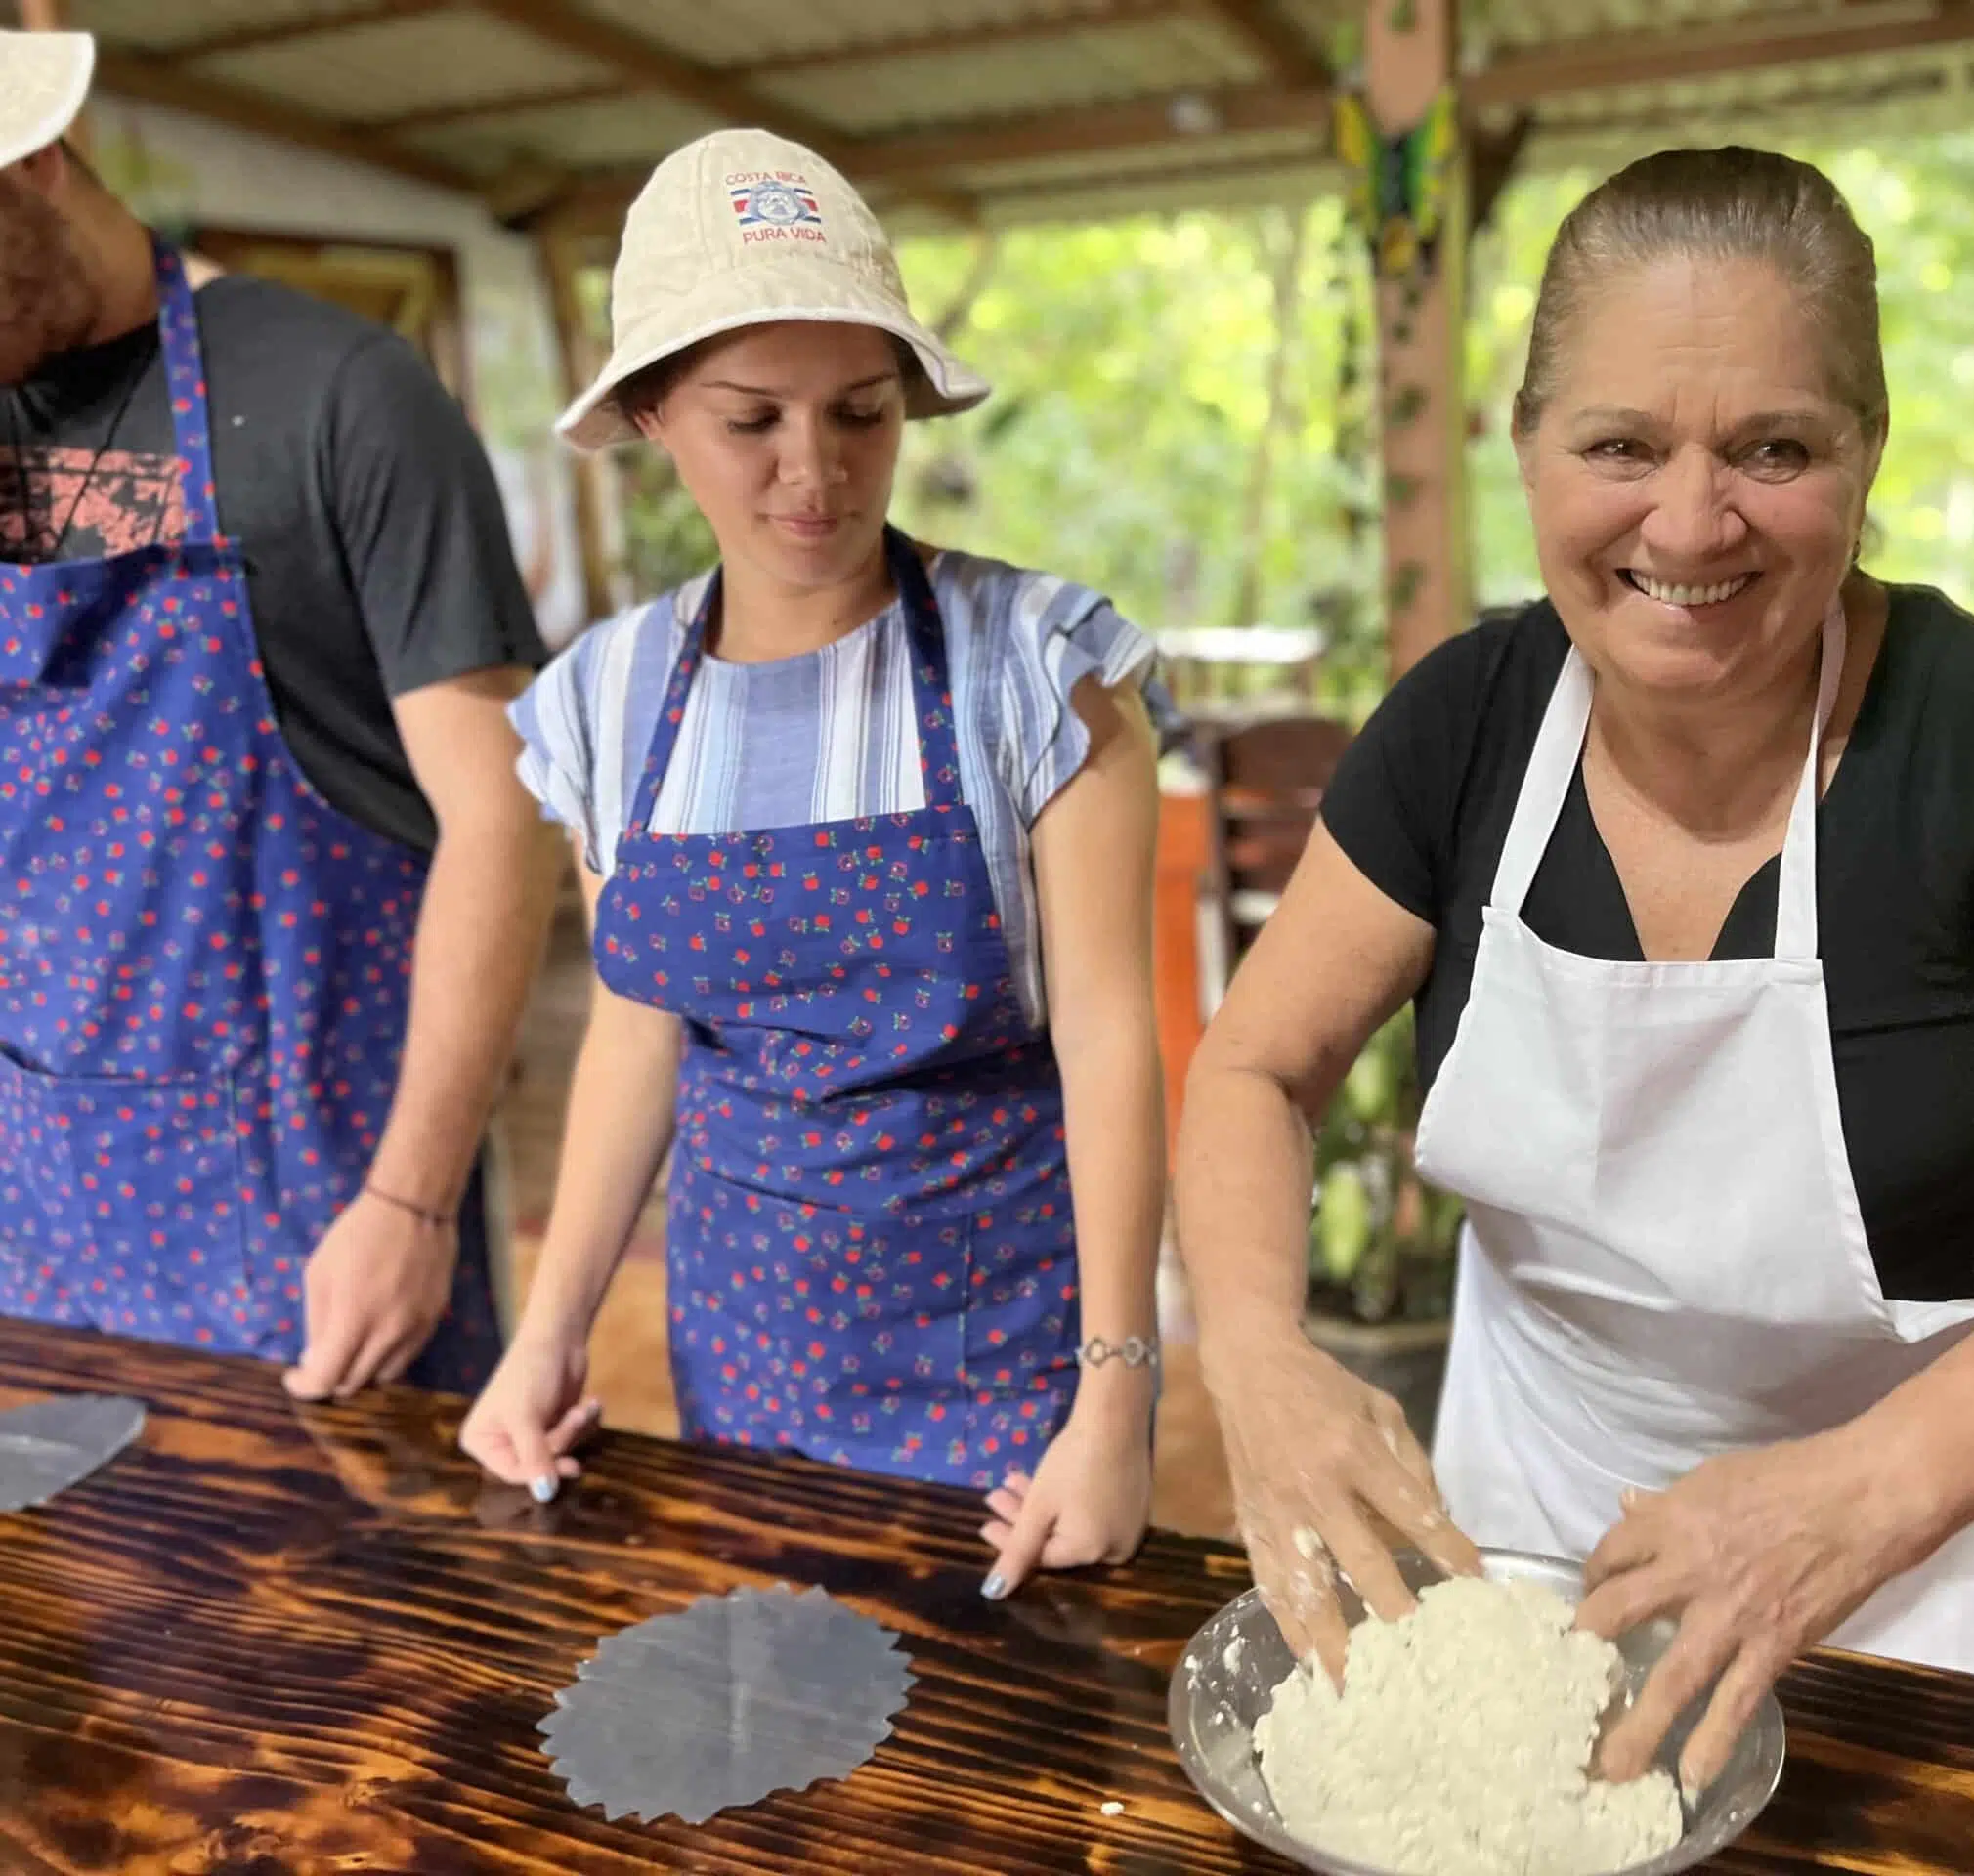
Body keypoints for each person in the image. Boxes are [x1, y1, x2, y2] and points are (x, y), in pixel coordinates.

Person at [1175, 146, 1974, 1790]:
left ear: (1866, 456)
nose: (1689, 523)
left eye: (1773, 448)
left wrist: (1852, 1497)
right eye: (1620, 444)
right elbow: (1252, 1070)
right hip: (1521, 1541)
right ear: (1529, 452)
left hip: (1913, 1555)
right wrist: (1257, 1358)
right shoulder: (1465, 724)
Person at [458, 130, 1169, 1600]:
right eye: (752, 418)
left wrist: (1121, 1391)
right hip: (744, 1346)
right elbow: (640, 1027)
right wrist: (551, 1329)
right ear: (653, 413)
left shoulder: (1035, 673)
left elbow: (1110, 1040)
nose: (816, 472)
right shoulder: (605, 701)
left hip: (1004, 1349)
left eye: (859, 412)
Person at [0, 30, 554, 1400]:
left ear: (36, 167)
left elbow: (506, 815)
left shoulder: (340, 397)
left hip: (322, 1217)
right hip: (32, 1215)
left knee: (368, 1609)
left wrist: (415, 1204)